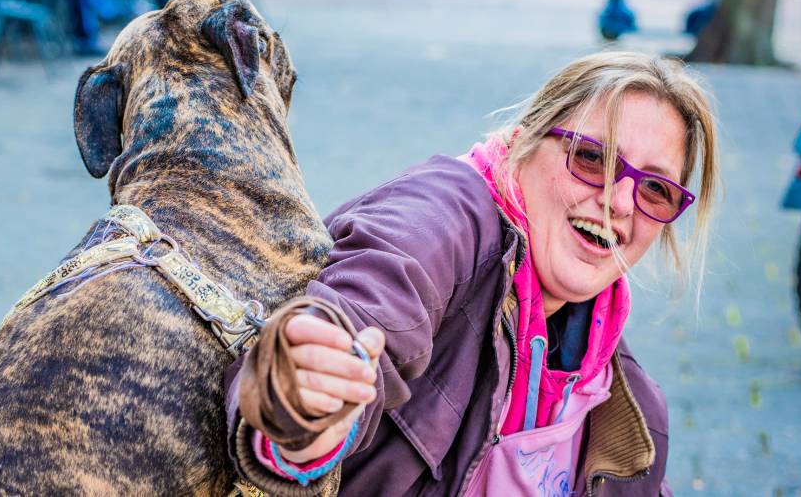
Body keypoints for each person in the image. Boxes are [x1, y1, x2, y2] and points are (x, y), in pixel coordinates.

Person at [227, 51, 720, 494]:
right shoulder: (446, 219)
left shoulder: (630, 406)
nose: (617, 201)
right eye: (591, 158)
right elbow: (365, 305)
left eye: (655, 189)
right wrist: (304, 404)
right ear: (521, 140)